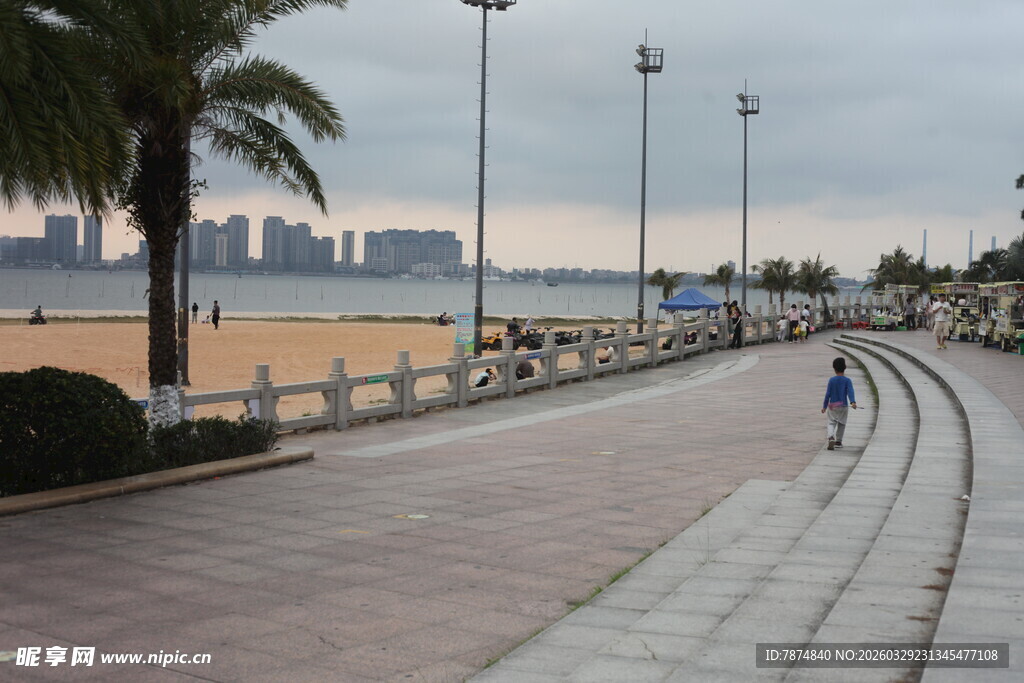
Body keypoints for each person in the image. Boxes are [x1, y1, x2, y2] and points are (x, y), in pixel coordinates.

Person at [822, 356, 857, 450]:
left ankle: (830, 437)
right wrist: (853, 402)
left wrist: (824, 406)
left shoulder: (831, 380)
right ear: (844, 367)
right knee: (842, 423)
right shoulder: (847, 380)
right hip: (843, 404)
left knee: (831, 422)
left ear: (834, 368)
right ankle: (838, 441)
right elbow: (851, 391)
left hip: (833, 405)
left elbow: (827, 394)